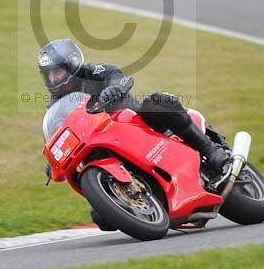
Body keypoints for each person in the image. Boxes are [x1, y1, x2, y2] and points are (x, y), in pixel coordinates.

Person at [38, 38, 229, 173]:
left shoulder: (93, 73)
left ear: (72, 65)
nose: (54, 79)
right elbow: (58, 135)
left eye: (57, 72)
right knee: (101, 217)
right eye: (49, 75)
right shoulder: (56, 105)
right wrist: (53, 159)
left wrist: (114, 89)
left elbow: (121, 77)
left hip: (138, 123)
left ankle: (209, 149)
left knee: (157, 102)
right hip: (107, 143)